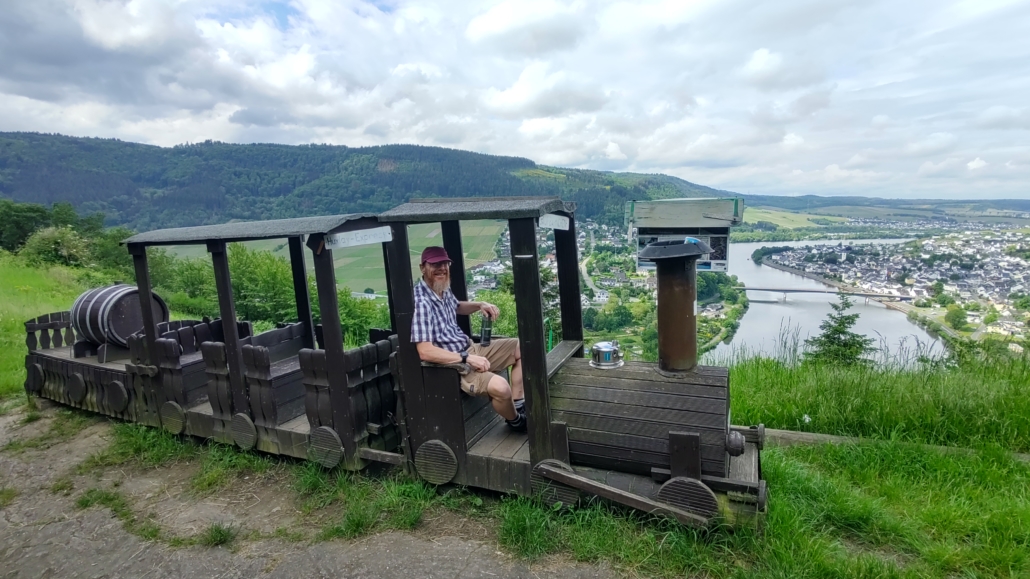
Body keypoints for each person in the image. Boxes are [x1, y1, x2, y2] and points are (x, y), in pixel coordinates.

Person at [411, 246, 526, 431]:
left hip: (469, 348)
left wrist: (480, 304)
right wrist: (466, 358)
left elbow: (456, 307)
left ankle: (518, 402)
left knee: (523, 347)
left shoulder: (441, 287)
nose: (442, 268)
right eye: (435, 264)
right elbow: (425, 351)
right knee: (502, 388)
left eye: (445, 263)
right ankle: (516, 421)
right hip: (454, 365)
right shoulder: (422, 302)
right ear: (423, 268)